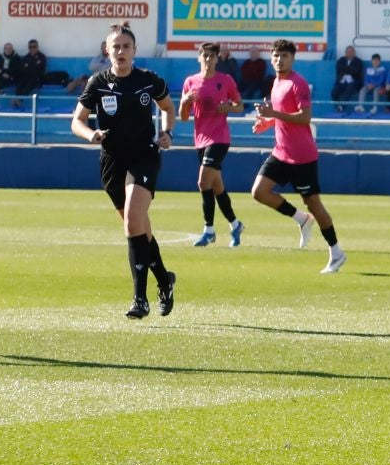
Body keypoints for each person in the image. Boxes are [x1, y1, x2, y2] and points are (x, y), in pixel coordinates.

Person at [70, 23, 177, 319]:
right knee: (138, 227)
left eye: (125, 46)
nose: (120, 51)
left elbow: (169, 108)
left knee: (132, 219)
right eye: (115, 46)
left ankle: (139, 299)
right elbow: (76, 121)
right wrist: (90, 134)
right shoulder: (97, 82)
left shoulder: (148, 80)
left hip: (144, 155)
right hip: (112, 161)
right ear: (107, 50)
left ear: (134, 51)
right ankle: (164, 280)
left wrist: (167, 132)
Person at [248, 38, 345, 274]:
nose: (279, 60)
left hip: (302, 156)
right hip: (281, 152)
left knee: (314, 203)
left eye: (284, 56)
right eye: (276, 56)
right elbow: (283, 115)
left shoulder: (297, 83)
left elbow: (304, 118)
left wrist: (274, 113)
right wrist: (268, 122)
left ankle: (336, 252)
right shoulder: (276, 82)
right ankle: (301, 219)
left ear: (293, 58)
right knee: (259, 192)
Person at [180, 41, 245, 248]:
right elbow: (183, 117)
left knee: (202, 182)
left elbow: (239, 106)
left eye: (211, 56)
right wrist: (184, 102)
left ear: (217, 59)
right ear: (199, 58)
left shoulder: (225, 81)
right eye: (204, 56)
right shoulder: (190, 82)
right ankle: (235, 225)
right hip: (200, 139)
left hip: (219, 139)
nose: (208, 59)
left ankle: (208, 230)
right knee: (217, 187)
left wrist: (228, 107)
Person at [331, 45, 366, 112]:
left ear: (354, 53)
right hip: (342, 82)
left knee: (349, 89)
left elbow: (356, 72)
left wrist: (346, 70)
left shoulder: (359, 62)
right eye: (348, 52)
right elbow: (339, 70)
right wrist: (349, 70)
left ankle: (343, 107)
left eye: (352, 52)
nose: (350, 54)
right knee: (334, 92)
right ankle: (338, 106)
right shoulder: (341, 60)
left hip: (354, 82)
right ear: (345, 53)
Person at [16, 38, 46, 107]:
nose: (32, 49)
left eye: (34, 47)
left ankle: (19, 100)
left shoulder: (41, 57)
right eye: (30, 47)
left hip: (37, 78)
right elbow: (22, 69)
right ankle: (17, 99)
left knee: (31, 82)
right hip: (26, 77)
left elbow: (41, 69)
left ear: (37, 47)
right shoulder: (26, 57)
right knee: (20, 83)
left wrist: (30, 66)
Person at [0, 42, 20, 108]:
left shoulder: (16, 58)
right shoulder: (1, 58)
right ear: (4, 49)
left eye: (9, 48)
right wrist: (2, 72)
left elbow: (16, 70)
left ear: (12, 49)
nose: (8, 50)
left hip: (12, 78)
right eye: (6, 49)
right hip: (2, 78)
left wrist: (7, 74)